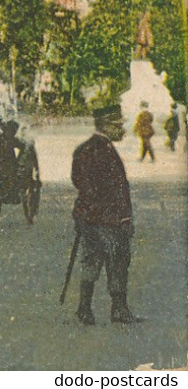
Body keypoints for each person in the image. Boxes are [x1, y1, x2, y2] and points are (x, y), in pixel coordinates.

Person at [71, 104, 141, 325]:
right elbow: (116, 189)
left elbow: (79, 181)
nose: (122, 129)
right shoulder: (105, 151)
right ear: (106, 125)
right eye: (118, 125)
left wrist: (87, 210)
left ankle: (84, 309)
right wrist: (123, 217)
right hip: (110, 219)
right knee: (118, 261)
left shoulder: (83, 149)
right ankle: (119, 309)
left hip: (88, 218)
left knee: (91, 260)